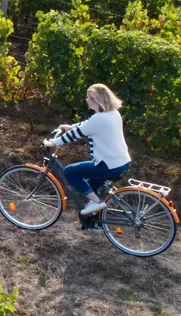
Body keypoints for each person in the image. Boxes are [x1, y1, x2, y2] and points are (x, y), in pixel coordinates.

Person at [44, 84, 130, 219]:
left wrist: (54, 143)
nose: (86, 100)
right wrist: (71, 127)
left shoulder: (99, 118)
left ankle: (97, 203)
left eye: (88, 97)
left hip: (108, 165)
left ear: (95, 99)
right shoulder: (113, 114)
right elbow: (87, 125)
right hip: (122, 162)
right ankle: (94, 218)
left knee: (69, 172)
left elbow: (76, 134)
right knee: (90, 187)